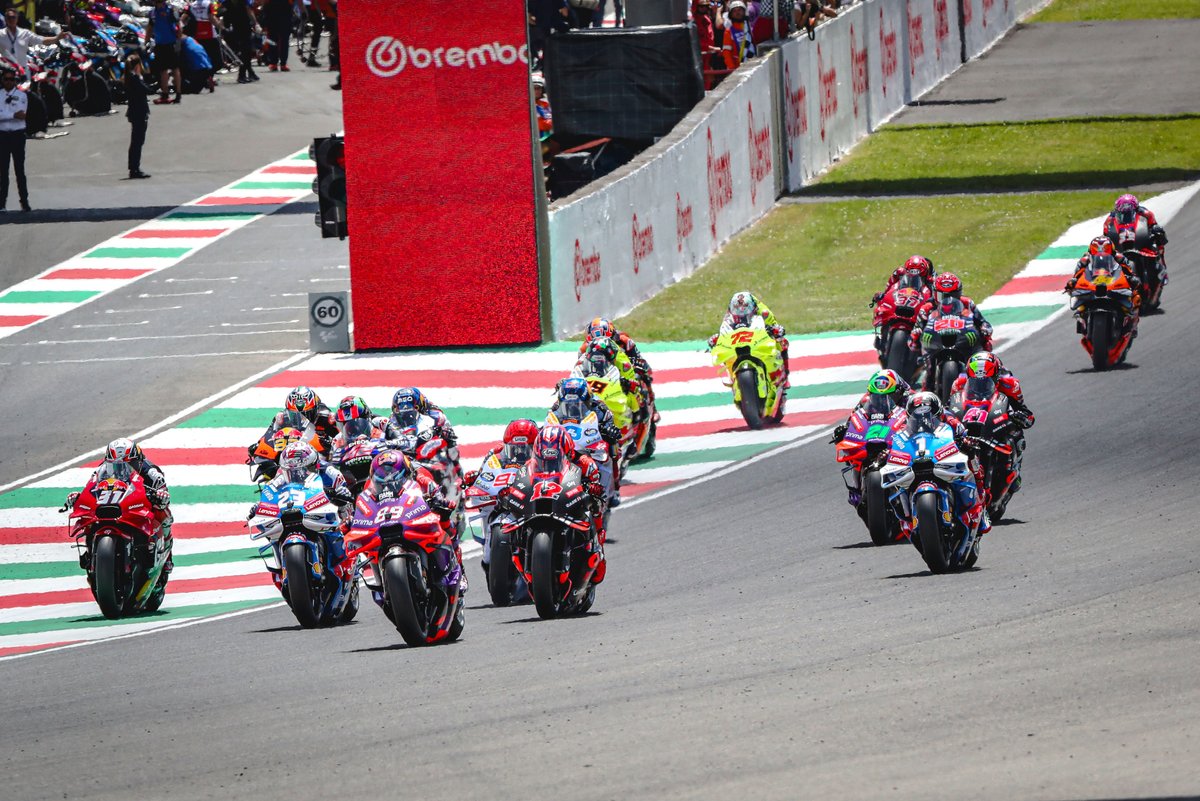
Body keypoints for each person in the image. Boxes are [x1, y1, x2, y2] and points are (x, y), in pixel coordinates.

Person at [510, 424, 607, 581]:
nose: (548, 463)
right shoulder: (528, 465)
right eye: (544, 460)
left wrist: (593, 488)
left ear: (567, 452)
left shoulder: (585, 463)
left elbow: (597, 487)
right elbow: (521, 481)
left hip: (571, 503)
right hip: (540, 503)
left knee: (594, 509)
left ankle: (598, 548)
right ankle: (519, 549)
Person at [66, 438, 174, 570]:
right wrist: (79, 497)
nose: (122, 468)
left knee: (165, 515)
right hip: (116, 502)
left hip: (140, 502)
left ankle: (167, 557)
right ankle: (90, 552)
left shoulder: (152, 473)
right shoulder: (101, 470)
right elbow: (91, 486)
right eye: (115, 465)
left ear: (139, 461)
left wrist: (161, 496)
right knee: (90, 518)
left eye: (130, 464)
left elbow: (163, 492)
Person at [893, 391, 990, 536]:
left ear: (938, 412)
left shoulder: (950, 419)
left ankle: (981, 500)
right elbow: (895, 441)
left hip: (943, 456)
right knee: (895, 478)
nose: (923, 418)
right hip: (918, 459)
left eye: (928, 414)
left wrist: (966, 441)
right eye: (917, 415)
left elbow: (963, 433)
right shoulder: (903, 426)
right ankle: (905, 518)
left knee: (971, 458)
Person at [830, 368, 911, 507]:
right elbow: (853, 419)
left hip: (900, 440)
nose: (883, 400)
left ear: (898, 391)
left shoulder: (909, 399)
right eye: (877, 396)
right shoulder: (865, 400)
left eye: (889, 396)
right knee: (855, 454)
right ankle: (858, 489)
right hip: (876, 436)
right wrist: (843, 431)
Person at [909, 272, 994, 388]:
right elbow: (917, 328)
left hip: (962, 338)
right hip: (936, 342)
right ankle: (927, 386)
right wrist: (916, 334)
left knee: (985, 346)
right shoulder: (927, 307)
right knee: (923, 359)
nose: (948, 301)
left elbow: (982, 321)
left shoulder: (967, 303)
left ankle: (988, 379)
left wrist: (985, 328)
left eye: (952, 296)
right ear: (935, 294)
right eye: (942, 296)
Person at [708, 290, 791, 387]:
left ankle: (785, 374)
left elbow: (776, 327)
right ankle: (732, 376)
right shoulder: (729, 316)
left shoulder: (764, 312)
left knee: (782, 341)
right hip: (741, 340)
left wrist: (776, 330)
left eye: (745, 307)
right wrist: (718, 339)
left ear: (753, 307)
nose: (741, 311)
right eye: (737, 308)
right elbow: (725, 330)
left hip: (758, 335)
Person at [1104, 192, 1168, 285]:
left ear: (1136, 209)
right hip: (1121, 245)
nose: (1125, 217)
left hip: (1141, 241)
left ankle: (1163, 267)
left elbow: (1154, 225)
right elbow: (1106, 233)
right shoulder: (1110, 219)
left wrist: (1156, 230)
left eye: (1128, 214)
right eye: (1122, 214)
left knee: (1159, 240)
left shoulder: (1146, 214)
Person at [0, 66, 29, 212]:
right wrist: (11, 115)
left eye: (11, 79)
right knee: (3, 171)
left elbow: (22, 115)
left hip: (17, 135)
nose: (9, 82)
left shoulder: (22, 95)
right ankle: (2, 203)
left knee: (19, 170)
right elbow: (14, 115)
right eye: (6, 79)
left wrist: (5, 115)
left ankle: (24, 202)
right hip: (3, 136)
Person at [0, 7, 65, 72]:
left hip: (23, 71)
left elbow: (42, 40)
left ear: (17, 18)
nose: (11, 19)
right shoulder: (1, 34)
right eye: (9, 17)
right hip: (5, 70)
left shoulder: (25, 33)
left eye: (13, 17)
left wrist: (57, 38)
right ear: (5, 19)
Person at [123, 54, 152, 180]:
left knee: (136, 141)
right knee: (137, 141)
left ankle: (134, 167)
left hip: (135, 111)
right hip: (138, 112)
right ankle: (134, 168)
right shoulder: (135, 78)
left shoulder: (130, 77)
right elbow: (147, 90)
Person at [149, 0, 183, 104]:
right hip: (160, 44)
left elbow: (179, 25)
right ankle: (165, 94)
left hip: (170, 43)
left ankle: (178, 93)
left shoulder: (171, 10)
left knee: (174, 68)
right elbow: (149, 28)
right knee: (163, 70)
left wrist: (178, 40)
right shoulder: (152, 12)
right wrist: (146, 41)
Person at [871, 255, 936, 306]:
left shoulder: (931, 281)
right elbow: (888, 289)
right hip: (900, 301)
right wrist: (883, 296)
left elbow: (935, 301)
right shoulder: (898, 273)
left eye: (920, 277)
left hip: (919, 306)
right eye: (911, 274)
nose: (914, 278)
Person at [222, 0, 260, 83]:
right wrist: (256, 23)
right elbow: (249, 11)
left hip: (234, 28)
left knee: (245, 51)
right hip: (240, 27)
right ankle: (242, 75)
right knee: (245, 51)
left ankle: (250, 72)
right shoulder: (227, 2)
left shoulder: (226, 2)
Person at [186, 0, 224, 74]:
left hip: (197, 34)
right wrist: (221, 27)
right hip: (209, 33)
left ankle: (207, 76)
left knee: (204, 57)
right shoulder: (208, 3)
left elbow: (185, 18)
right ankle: (209, 75)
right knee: (217, 61)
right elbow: (211, 18)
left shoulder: (192, 5)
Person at [259, 0, 296, 72]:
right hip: (272, 13)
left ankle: (282, 64)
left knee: (284, 39)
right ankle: (274, 63)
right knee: (274, 39)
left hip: (284, 13)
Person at [721, 1, 756, 69]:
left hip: (753, 65)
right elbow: (726, 52)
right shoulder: (728, 31)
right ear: (730, 14)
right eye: (734, 11)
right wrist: (732, 68)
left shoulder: (750, 28)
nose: (737, 13)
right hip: (737, 68)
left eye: (739, 10)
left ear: (744, 11)